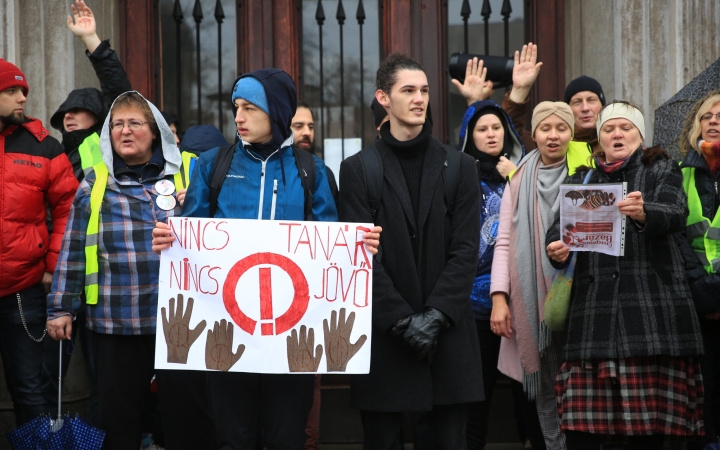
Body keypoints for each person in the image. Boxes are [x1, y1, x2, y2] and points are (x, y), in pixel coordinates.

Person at [152, 68, 380, 449]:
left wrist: (357, 246)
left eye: (250, 108)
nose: (238, 117)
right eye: (236, 107)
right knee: (233, 439)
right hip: (225, 336)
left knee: (286, 439)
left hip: (291, 344)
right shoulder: (212, 166)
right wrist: (170, 238)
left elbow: (329, 247)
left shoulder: (311, 171)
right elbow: (189, 238)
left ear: (276, 111)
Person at [338, 53, 483, 450]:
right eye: (408, 91)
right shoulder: (357, 170)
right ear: (383, 98)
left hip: (449, 335)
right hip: (386, 339)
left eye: (424, 90)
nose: (419, 99)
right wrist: (402, 321)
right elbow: (359, 257)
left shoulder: (460, 167)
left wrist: (435, 316)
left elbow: (466, 250)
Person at [546, 101, 705, 449]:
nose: (617, 134)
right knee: (583, 435)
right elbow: (557, 232)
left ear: (639, 135)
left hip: (649, 314)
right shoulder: (581, 179)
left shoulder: (660, 168)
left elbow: (676, 212)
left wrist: (644, 212)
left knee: (646, 435)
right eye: (608, 129)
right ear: (599, 139)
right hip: (593, 318)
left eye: (625, 128)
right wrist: (556, 249)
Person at [46, 91, 196, 449]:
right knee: (117, 424)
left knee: (187, 420)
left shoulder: (189, 177)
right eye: (117, 125)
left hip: (181, 323)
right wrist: (61, 308)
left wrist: (193, 201)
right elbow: (73, 251)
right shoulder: (94, 183)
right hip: (116, 321)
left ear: (156, 131)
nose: (125, 131)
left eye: (135, 123)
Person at [490, 102, 576, 450]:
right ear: (534, 133)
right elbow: (504, 241)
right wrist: (499, 298)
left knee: (576, 388)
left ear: (571, 133)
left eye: (561, 128)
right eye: (545, 128)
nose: (553, 135)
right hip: (529, 298)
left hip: (575, 296)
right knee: (542, 388)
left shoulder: (585, 174)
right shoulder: (519, 177)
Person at [0, 59, 78, 427]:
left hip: (23, 290)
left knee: (31, 391)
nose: (21, 98)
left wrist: (53, 266)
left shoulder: (46, 147)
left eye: (24, 92)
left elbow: (68, 209)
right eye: (11, 91)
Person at [457, 97, 525, 449]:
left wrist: (515, 176)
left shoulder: (525, 172)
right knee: (476, 397)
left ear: (507, 131)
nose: (490, 133)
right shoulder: (456, 176)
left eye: (496, 126)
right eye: (481, 129)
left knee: (527, 394)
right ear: (469, 136)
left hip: (522, 301)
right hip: (472, 307)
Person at [676, 89, 720, 450]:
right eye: (707, 115)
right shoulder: (679, 174)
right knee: (700, 393)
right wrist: (702, 288)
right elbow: (675, 236)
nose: (715, 120)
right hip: (695, 301)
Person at [50, 0, 131, 182]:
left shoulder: (112, 142)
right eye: (65, 112)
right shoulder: (53, 151)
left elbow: (119, 92)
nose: (68, 116)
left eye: (77, 110)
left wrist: (91, 39)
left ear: (96, 115)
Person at [291, 102, 339, 204]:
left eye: (311, 127)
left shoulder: (323, 173)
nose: (307, 132)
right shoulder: (274, 168)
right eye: (298, 126)